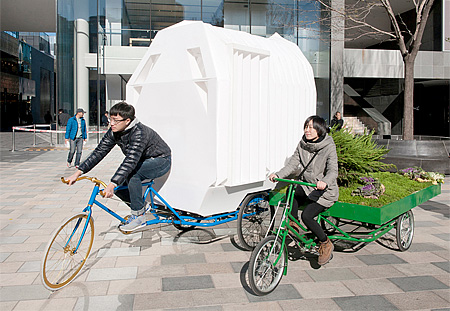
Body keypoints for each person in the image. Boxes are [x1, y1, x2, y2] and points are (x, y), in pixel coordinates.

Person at [65, 102, 172, 232]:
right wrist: (78, 173)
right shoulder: (114, 131)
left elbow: (130, 161)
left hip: (160, 160)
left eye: (116, 120)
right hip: (141, 161)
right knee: (120, 187)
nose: (112, 123)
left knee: (132, 175)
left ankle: (139, 216)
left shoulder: (139, 133)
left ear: (127, 121)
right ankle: (142, 206)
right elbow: (99, 152)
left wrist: (112, 183)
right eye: (110, 119)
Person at [268, 115, 339, 265]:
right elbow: (292, 164)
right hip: (308, 186)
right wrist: (278, 175)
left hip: (324, 191)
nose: (308, 130)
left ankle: (325, 243)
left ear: (320, 130)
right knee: (291, 190)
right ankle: (293, 224)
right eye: (306, 127)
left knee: (308, 216)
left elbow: (333, 170)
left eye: (311, 127)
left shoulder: (328, 146)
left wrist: (324, 182)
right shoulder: (302, 144)